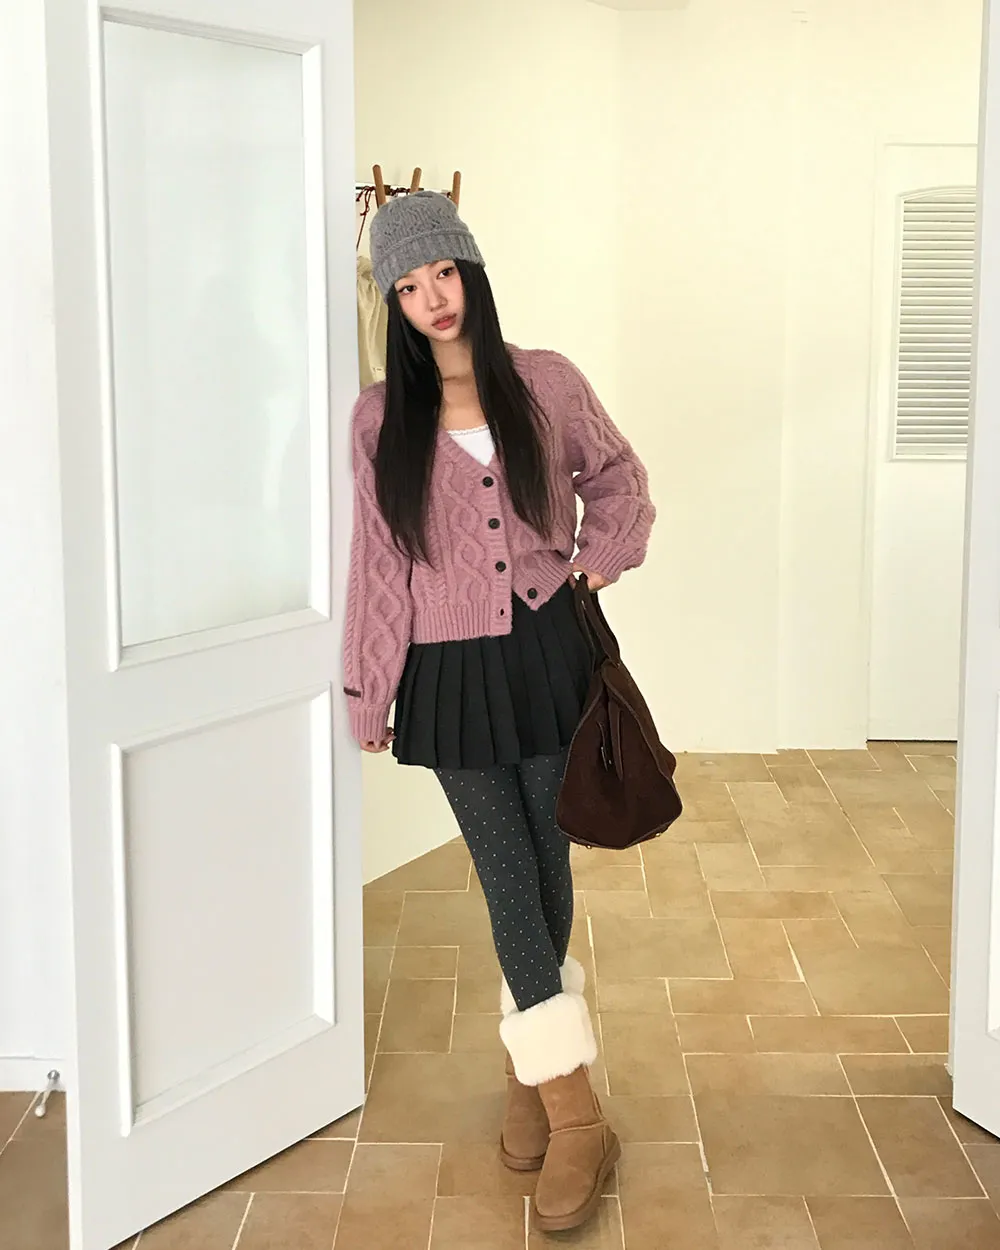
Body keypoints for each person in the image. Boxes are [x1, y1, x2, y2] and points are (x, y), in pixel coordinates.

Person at [343, 191, 655, 1233]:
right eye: (407, 285)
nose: (432, 297)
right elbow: (379, 564)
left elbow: (619, 480)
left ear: (471, 272)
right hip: (447, 672)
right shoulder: (379, 417)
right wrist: (369, 682)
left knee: (549, 867)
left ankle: (534, 1073)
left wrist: (594, 564)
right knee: (507, 875)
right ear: (393, 302)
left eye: (443, 272)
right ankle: (577, 1115)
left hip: (548, 653)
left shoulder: (545, 379)